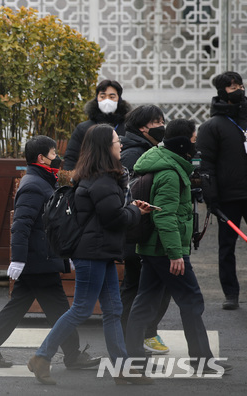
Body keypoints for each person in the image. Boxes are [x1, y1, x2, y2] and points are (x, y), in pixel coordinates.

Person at [27, 124, 153, 386]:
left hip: (100, 251)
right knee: (82, 309)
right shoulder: (103, 180)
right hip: (93, 253)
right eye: (117, 141)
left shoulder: (98, 176)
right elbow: (113, 217)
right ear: (106, 148)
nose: (120, 145)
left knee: (113, 310)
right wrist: (135, 212)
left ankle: (121, 368)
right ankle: (41, 356)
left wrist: (130, 207)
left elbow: (108, 213)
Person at [0, 136, 99, 370]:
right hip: (39, 260)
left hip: (42, 258)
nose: (58, 158)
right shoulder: (34, 185)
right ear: (41, 158)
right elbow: (21, 225)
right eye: (54, 154)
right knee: (60, 309)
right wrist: (19, 259)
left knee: (18, 308)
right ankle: (72, 355)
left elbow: (50, 224)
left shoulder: (41, 181)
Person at [125, 118, 232, 375]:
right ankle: (202, 360)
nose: (196, 147)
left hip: (153, 248)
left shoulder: (164, 162)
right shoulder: (171, 174)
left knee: (145, 301)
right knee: (191, 300)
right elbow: (165, 217)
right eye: (194, 141)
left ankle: (131, 355)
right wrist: (176, 255)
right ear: (184, 143)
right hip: (166, 250)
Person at [118, 105, 172, 355]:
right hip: (137, 231)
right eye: (156, 122)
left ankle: (134, 335)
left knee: (140, 286)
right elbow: (129, 193)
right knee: (141, 286)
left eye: (162, 120)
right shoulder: (134, 154)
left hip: (140, 229)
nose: (162, 126)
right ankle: (140, 335)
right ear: (142, 127)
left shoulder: (150, 149)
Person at [196, 71, 247, 310]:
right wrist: (211, 197)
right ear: (222, 91)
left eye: (240, 85)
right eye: (232, 86)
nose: (238, 89)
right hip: (229, 197)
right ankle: (231, 294)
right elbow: (206, 165)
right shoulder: (211, 126)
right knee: (227, 247)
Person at [63, 80, 132, 171]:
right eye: (102, 96)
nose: (107, 100)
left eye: (112, 96)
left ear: (119, 99)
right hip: (89, 176)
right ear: (97, 98)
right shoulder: (84, 128)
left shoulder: (128, 127)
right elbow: (71, 157)